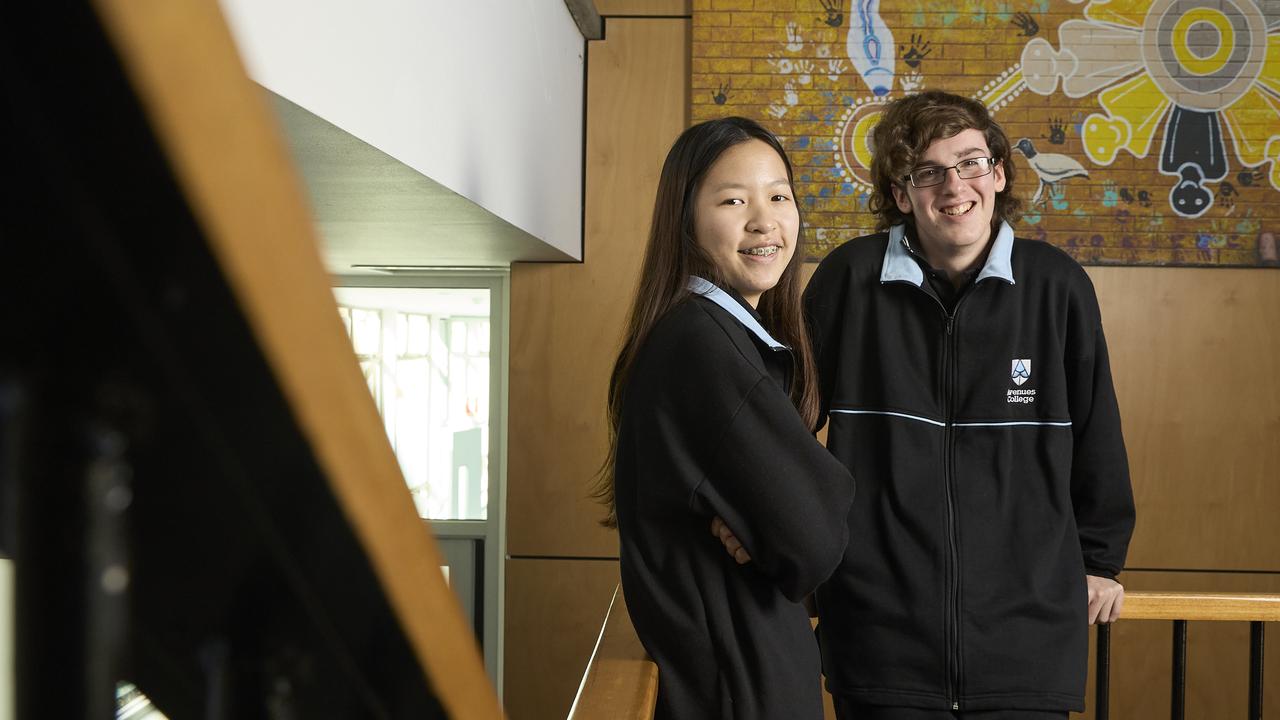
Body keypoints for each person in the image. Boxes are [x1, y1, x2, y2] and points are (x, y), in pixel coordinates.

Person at [718, 91, 1136, 717]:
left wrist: (1102, 560)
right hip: (878, 637)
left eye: (970, 163)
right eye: (927, 172)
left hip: (1026, 643)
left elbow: (1098, 431)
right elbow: (785, 423)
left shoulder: (1058, 286)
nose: (953, 185)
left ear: (998, 173)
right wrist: (758, 518)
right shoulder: (849, 279)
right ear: (899, 193)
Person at [593, 116, 856, 719]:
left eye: (779, 196)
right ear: (685, 219)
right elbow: (812, 537)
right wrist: (787, 524)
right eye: (734, 200)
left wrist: (769, 529)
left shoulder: (714, 335)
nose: (764, 221)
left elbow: (798, 533)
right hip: (736, 693)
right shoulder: (702, 345)